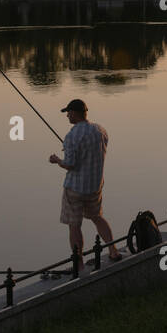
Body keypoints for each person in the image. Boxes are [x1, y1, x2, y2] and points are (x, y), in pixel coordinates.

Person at [48, 98, 122, 261]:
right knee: (97, 217)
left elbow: (69, 164)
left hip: (75, 188)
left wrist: (57, 160)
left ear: (75, 114)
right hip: (94, 186)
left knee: (74, 226)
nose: (67, 116)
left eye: (68, 113)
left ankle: (79, 263)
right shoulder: (101, 130)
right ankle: (113, 250)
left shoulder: (72, 136)